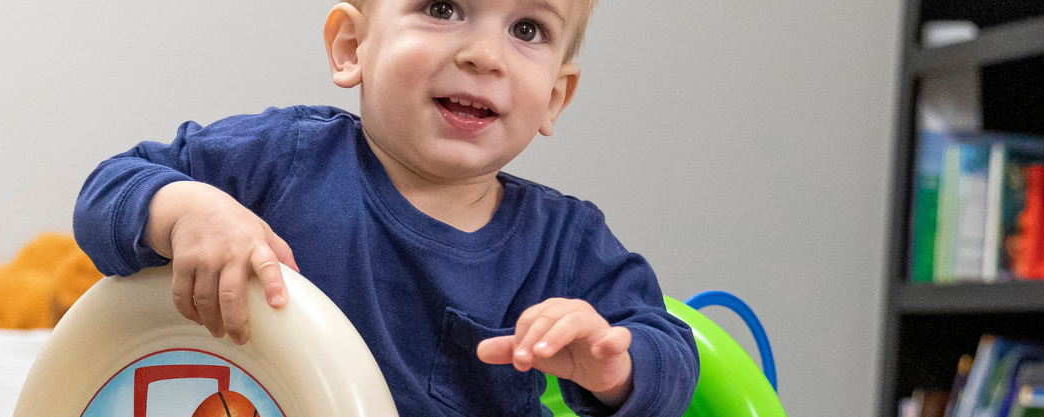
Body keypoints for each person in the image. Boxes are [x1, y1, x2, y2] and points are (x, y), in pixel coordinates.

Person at [73, 0, 699, 415]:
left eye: (527, 29)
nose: (485, 54)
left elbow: (673, 356)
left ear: (556, 97)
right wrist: (188, 210)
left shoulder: (564, 242)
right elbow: (106, 192)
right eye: (443, 8)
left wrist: (613, 364)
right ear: (351, 46)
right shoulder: (280, 161)